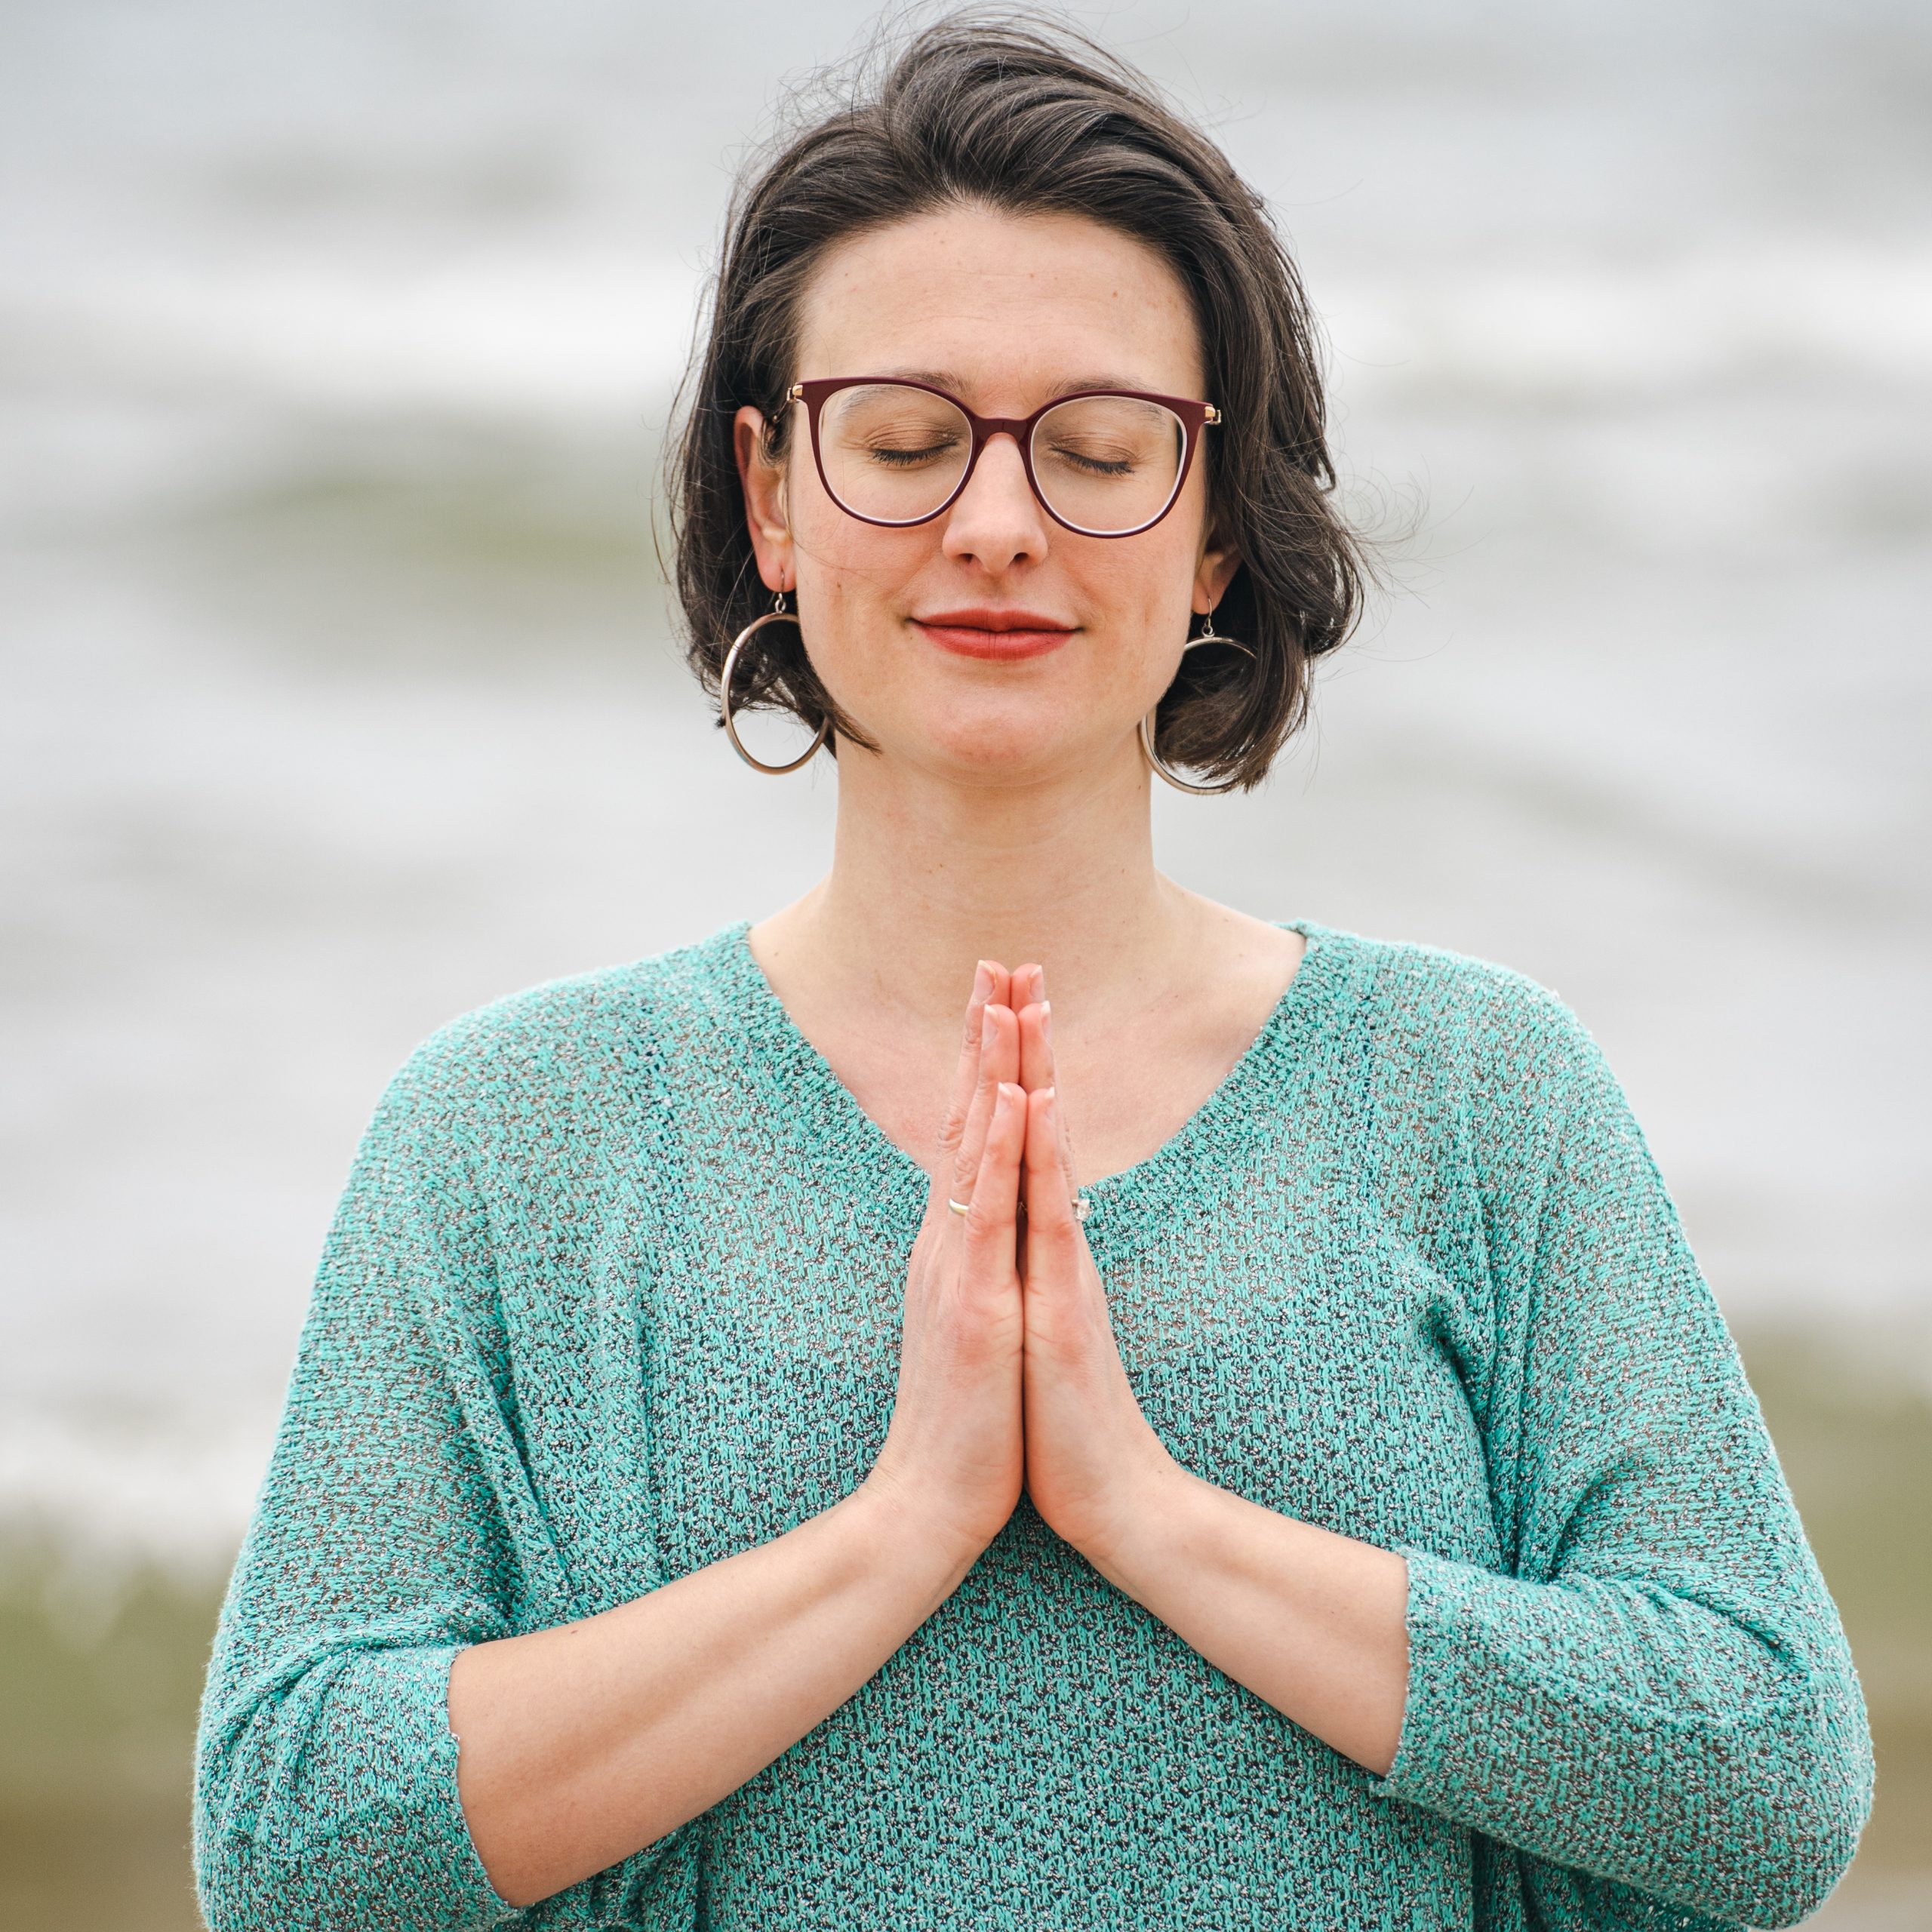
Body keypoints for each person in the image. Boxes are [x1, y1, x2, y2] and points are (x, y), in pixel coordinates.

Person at [192, 14, 1872, 1930]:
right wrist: (897, 1528)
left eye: (1096, 450)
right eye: (902, 443)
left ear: (1220, 526)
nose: (994, 523)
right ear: (769, 497)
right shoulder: (514, 1133)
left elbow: (1763, 1777)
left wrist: (1150, 1515)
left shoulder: (1472, 1088)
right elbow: (292, 1840)